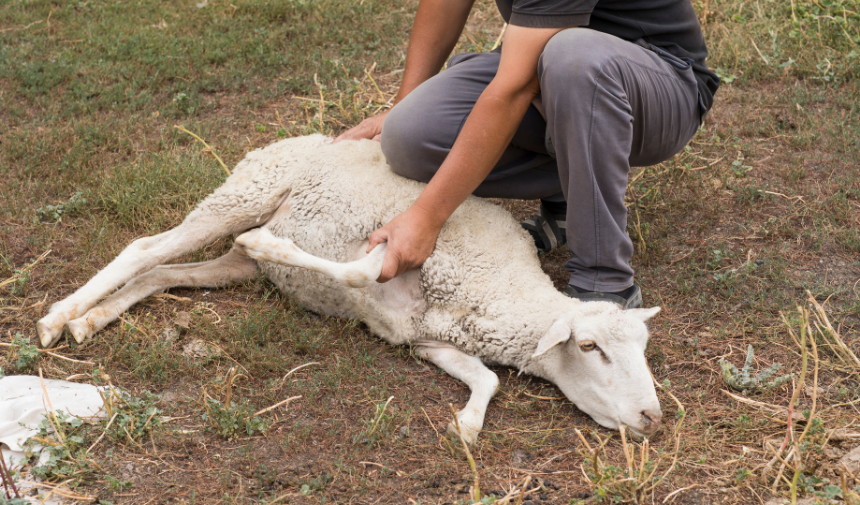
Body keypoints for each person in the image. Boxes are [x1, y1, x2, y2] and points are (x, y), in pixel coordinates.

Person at [335, 0, 719, 309]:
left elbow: (514, 89)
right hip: (553, 69)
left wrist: (425, 217)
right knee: (410, 133)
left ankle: (604, 284)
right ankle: (569, 202)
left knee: (573, 56)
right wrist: (400, 105)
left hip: (660, 82)